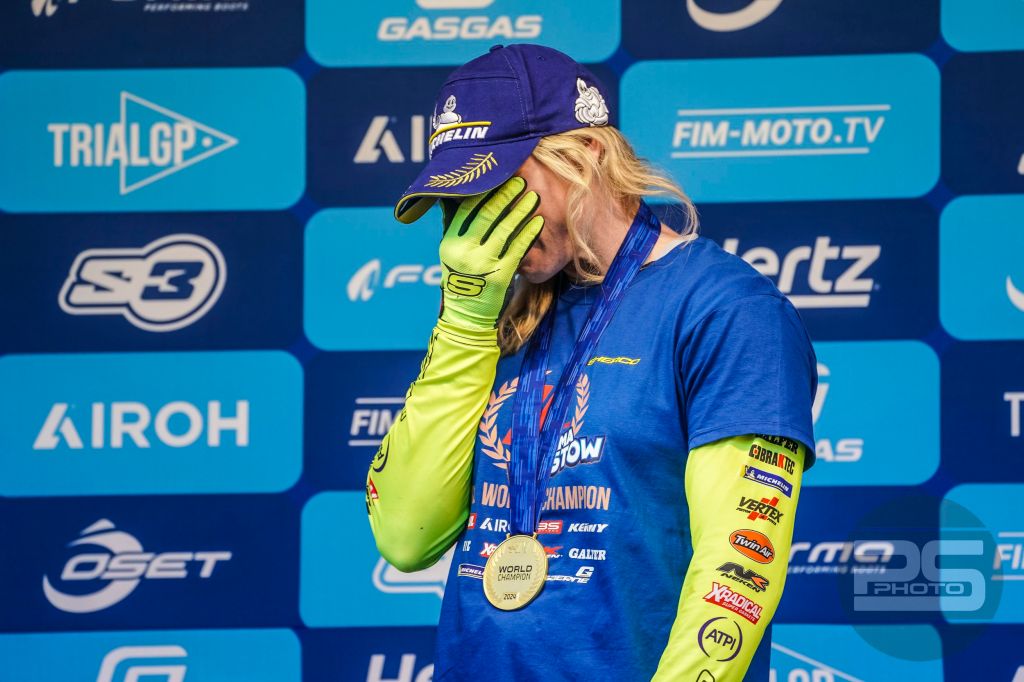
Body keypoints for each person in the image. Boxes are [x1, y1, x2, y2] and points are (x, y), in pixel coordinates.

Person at [365, 43, 817, 682]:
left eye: (497, 187)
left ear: (588, 154)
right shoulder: (493, 314)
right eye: (460, 198)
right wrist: (464, 323)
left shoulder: (726, 309)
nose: (478, 218)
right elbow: (406, 536)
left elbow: (737, 571)